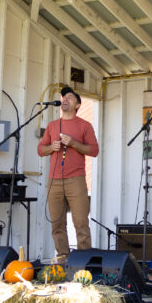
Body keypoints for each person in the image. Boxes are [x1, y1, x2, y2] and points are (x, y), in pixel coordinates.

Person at [37, 86, 99, 264]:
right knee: (57, 224)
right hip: (54, 180)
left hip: (76, 179)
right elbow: (41, 149)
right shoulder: (52, 125)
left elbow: (94, 150)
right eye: (63, 97)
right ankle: (63, 260)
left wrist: (73, 143)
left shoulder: (84, 125)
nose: (65, 99)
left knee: (80, 222)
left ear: (78, 104)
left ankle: (84, 262)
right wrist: (51, 148)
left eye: (70, 97)